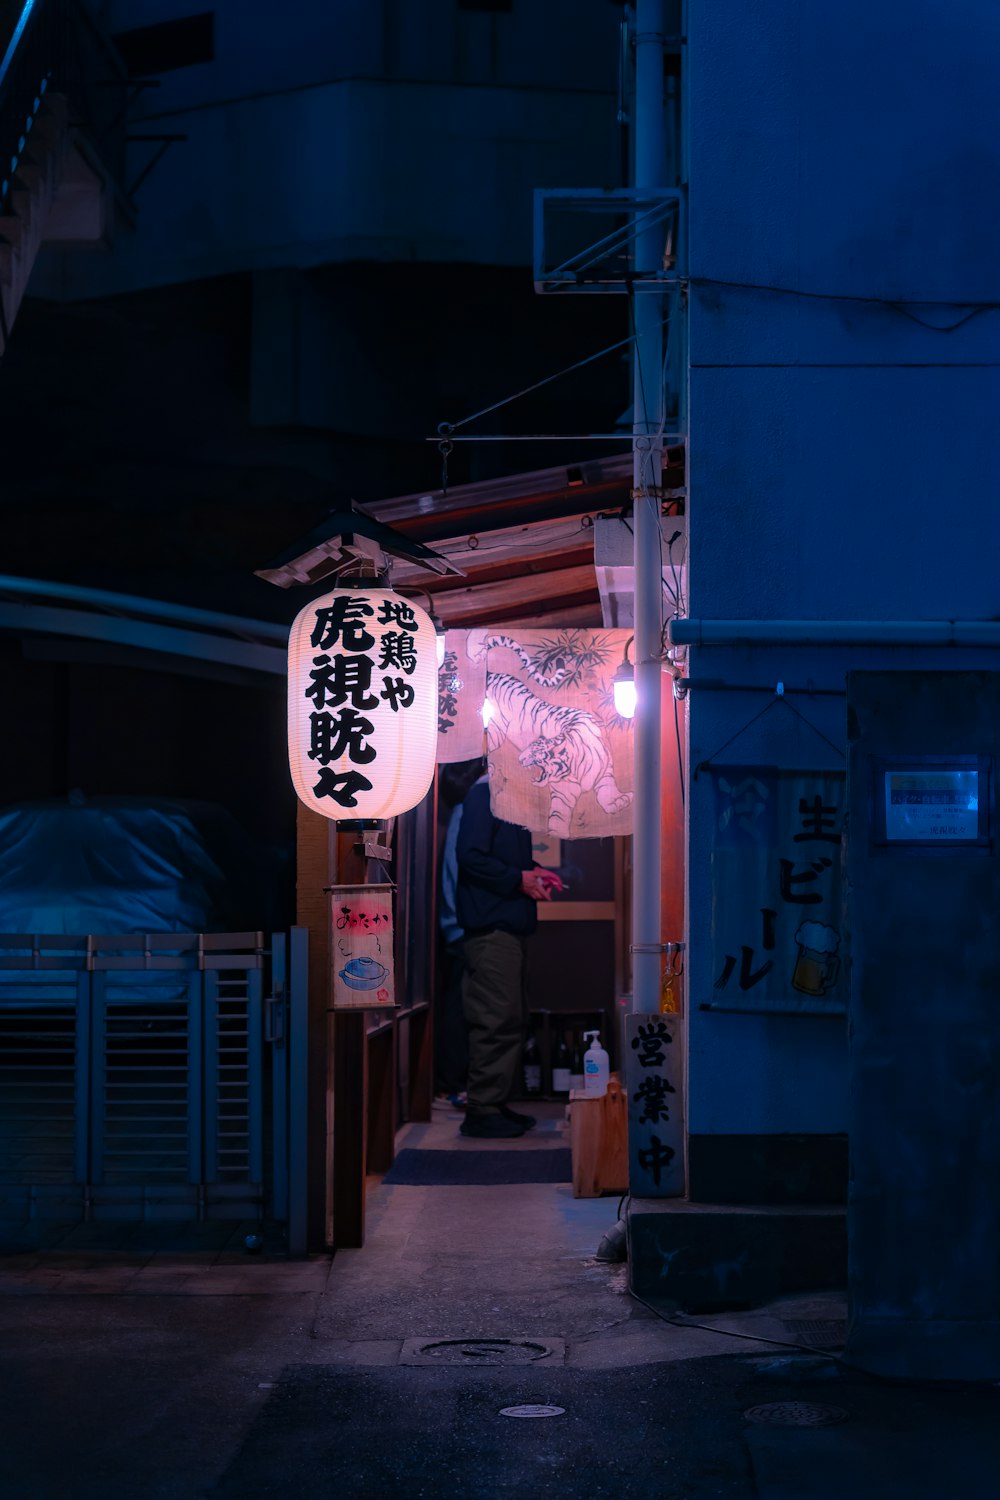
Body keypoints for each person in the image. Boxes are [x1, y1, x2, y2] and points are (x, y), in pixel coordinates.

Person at [455, 770, 562, 1138]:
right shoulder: (486, 793)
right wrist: (519, 879)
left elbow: (493, 858)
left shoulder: (506, 795)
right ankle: (482, 1109)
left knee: (509, 1017)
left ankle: (493, 1103)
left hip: (504, 928)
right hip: (491, 929)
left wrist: (531, 873)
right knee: (495, 1018)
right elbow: (470, 855)